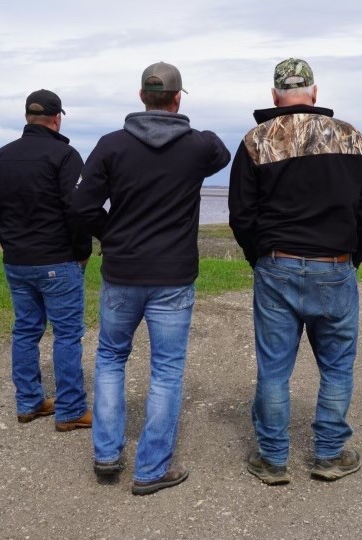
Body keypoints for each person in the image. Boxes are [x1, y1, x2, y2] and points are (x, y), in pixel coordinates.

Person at [71, 62, 231, 495]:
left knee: (110, 359)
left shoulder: (110, 145)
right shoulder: (197, 147)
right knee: (166, 369)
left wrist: (114, 236)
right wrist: (184, 125)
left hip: (123, 271)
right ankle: (151, 468)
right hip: (173, 275)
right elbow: (222, 152)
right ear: (177, 99)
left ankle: (107, 454)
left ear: (141, 96)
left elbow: (82, 206)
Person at [228, 58, 362, 485]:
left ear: (275, 96)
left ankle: (274, 459)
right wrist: (350, 257)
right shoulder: (350, 137)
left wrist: (258, 257)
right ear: (313, 93)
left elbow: (241, 214)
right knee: (335, 367)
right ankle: (329, 455)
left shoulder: (257, 140)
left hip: (277, 264)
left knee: (274, 369)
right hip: (333, 266)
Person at [0, 89, 93, 432]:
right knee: (66, 334)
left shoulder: (0, 157)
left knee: (26, 330)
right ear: (57, 118)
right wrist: (81, 252)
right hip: (57, 260)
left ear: (27, 118)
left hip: (17, 260)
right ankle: (71, 409)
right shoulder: (64, 155)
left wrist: (10, 243)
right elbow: (77, 208)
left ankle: (29, 402)